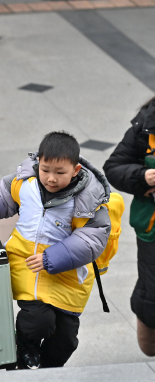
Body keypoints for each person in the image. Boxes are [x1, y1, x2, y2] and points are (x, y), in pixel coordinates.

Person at [0, 131, 111, 369]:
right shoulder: (26, 182)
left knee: (65, 340)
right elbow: (1, 197)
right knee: (38, 321)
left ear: (76, 170)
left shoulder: (89, 197)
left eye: (60, 172)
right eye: (45, 170)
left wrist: (52, 257)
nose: (51, 178)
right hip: (27, 262)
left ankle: (45, 371)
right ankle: (25, 347)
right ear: (38, 162)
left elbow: (93, 238)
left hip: (67, 272)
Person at [103, 97, 155, 357]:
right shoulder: (147, 124)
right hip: (152, 233)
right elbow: (113, 167)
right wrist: (142, 176)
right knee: (151, 294)